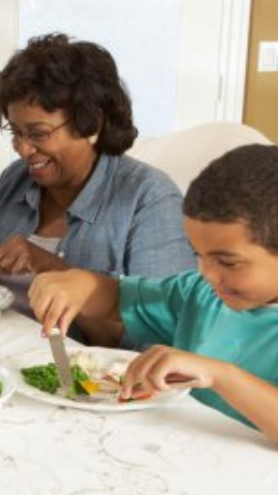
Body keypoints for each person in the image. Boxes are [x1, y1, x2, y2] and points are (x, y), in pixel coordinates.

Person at [0, 33, 195, 333]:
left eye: (38, 133)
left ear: (92, 124)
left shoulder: (149, 199)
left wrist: (48, 265)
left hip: (75, 373)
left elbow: (164, 330)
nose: (22, 148)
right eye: (15, 132)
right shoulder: (15, 179)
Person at [29, 144, 278, 443]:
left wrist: (220, 376)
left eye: (227, 262)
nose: (207, 273)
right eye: (197, 254)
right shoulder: (199, 294)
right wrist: (79, 284)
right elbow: (115, 300)